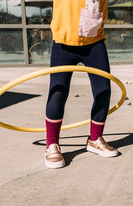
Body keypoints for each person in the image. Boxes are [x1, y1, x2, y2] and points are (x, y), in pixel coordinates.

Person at [45, 0, 118, 169]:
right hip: (64, 41)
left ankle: (95, 139)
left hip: (94, 40)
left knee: (103, 91)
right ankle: (52, 144)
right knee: (58, 93)